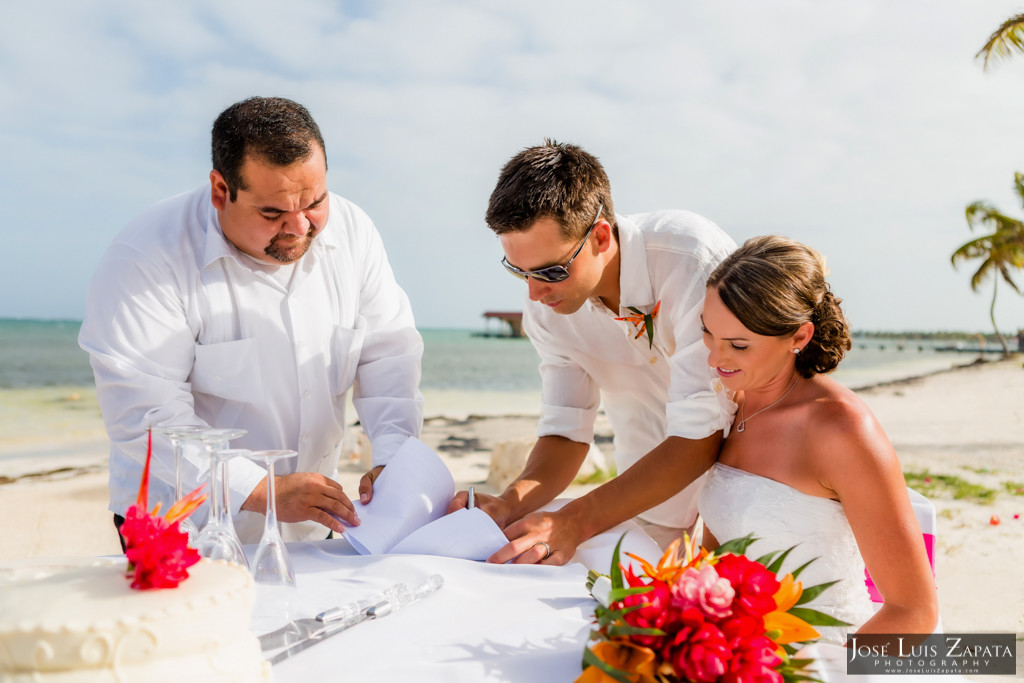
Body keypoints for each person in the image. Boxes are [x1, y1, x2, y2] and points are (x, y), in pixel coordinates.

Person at [79, 96, 424, 545]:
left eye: (315, 202)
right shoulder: (147, 257)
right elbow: (146, 415)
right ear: (221, 191)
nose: (299, 228)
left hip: (309, 526)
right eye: (273, 213)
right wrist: (262, 490)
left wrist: (393, 458)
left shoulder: (354, 231)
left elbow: (387, 356)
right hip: (180, 525)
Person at [449, 140, 736, 564]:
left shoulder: (692, 259)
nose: (533, 292)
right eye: (519, 270)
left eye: (551, 270)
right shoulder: (545, 308)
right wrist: (510, 503)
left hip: (750, 476)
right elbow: (565, 432)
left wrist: (576, 520)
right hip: (646, 495)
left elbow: (703, 431)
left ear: (601, 236)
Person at [697, 235, 938, 642]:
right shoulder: (731, 403)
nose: (714, 359)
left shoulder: (839, 428)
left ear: (799, 337)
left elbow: (914, 613)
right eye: (707, 334)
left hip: (829, 655)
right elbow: (717, 559)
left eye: (738, 345)